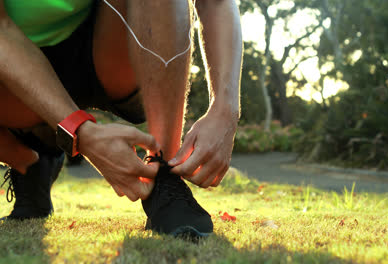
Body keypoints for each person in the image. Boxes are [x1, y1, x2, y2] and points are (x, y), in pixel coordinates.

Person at [0, 0, 242, 238]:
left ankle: (163, 173)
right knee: (28, 147)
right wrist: (79, 132)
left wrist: (225, 110)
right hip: (14, 66)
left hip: (112, 44)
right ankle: (31, 157)